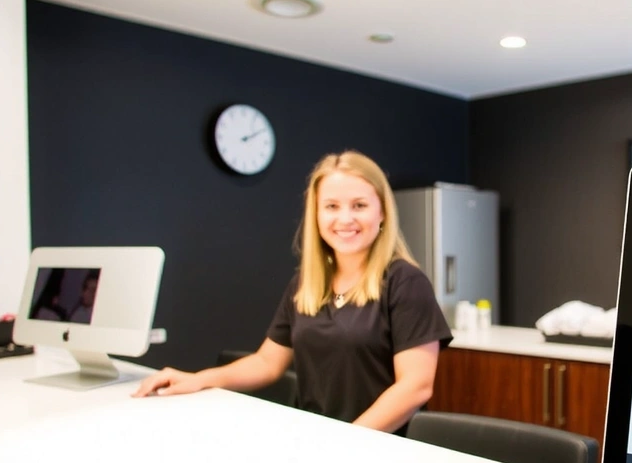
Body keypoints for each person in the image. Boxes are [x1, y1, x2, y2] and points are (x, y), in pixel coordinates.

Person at [133, 151, 452, 434]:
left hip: (379, 445)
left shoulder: (405, 282)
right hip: (314, 437)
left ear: (382, 212)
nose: (345, 218)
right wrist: (198, 379)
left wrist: (350, 440)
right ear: (316, 215)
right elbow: (266, 363)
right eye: (331, 206)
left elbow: (415, 387)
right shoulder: (306, 284)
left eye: (359, 205)